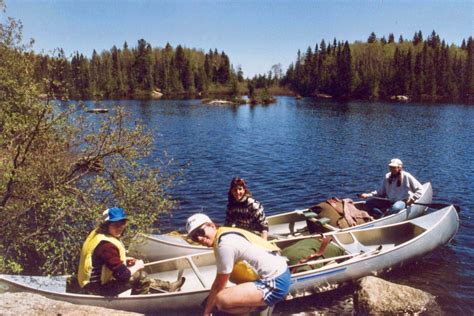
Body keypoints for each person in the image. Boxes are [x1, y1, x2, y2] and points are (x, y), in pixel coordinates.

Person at [186, 213, 291, 315]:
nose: (199, 238)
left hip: (276, 282)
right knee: (226, 299)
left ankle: (259, 306)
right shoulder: (224, 233)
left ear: (212, 226)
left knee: (221, 300)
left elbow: (219, 285)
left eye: (200, 231)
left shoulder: (224, 245)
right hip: (278, 270)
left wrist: (207, 312)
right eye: (194, 237)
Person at [77, 207, 184, 296]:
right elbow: (123, 275)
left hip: (90, 284)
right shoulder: (106, 246)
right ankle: (139, 305)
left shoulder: (98, 235)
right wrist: (138, 265)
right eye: (115, 224)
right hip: (96, 290)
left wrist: (125, 260)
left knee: (138, 275)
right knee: (140, 275)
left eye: (122, 223)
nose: (120, 228)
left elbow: (103, 260)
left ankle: (168, 286)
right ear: (106, 225)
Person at [359, 158, 423, 218]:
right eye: (390, 167)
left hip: (402, 202)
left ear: (399, 168)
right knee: (369, 203)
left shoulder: (406, 176)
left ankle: (384, 217)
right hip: (389, 201)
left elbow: (420, 189)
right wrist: (368, 195)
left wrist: (412, 199)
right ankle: (381, 215)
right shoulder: (387, 176)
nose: (391, 169)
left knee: (396, 207)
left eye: (394, 167)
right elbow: (380, 192)